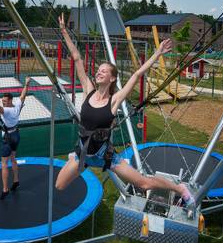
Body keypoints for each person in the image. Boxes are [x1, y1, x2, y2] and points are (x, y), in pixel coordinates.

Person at [54, 13, 194, 209]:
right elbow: (77, 58)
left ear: (112, 79)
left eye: (104, 71)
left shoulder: (115, 100)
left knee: (143, 183)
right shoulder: (87, 90)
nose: (98, 72)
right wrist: (63, 31)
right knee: (59, 185)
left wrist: (157, 53)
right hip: (82, 154)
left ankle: (180, 189)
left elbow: (137, 74)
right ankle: (77, 159)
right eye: (98, 70)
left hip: (106, 155)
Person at [0, 77, 30, 200]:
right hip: (16, 135)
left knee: (4, 163)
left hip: (8, 138)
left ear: (10, 100)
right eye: (2, 101)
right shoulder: (17, 105)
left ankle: (5, 189)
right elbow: (23, 96)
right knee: (13, 158)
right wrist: (26, 84)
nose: (3, 103)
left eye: (5, 101)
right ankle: (16, 180)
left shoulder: (6, 111)